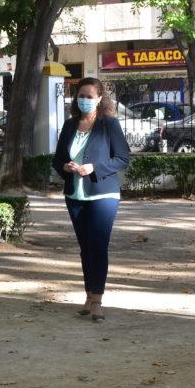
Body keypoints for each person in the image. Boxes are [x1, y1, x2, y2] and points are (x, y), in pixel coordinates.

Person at [51, 76, 130, 322]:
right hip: (75, 195)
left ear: (99, 99)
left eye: (89, 96)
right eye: (81, 96)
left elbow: (122, 158)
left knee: (98, 245)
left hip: (103, 194)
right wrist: (66, 166)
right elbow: (57, 159)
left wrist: (94, 167)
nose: (84, 100)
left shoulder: (109, 124)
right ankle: (89, 293)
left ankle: (97, 300)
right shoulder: (69, 125)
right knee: (85, 247)